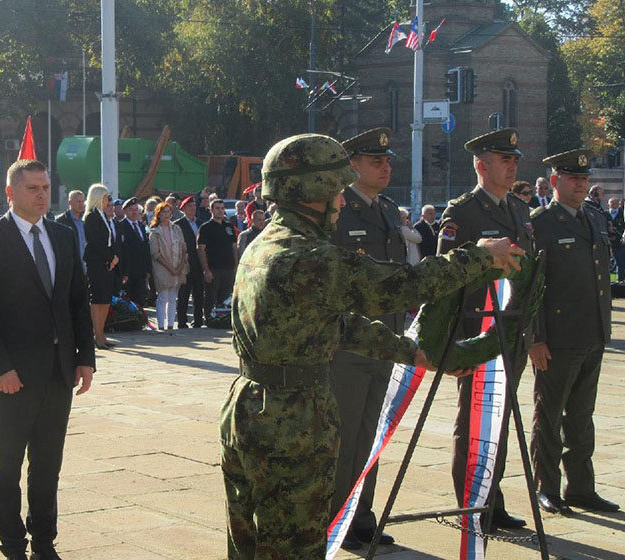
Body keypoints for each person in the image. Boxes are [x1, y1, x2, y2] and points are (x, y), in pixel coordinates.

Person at [221, 133, 525, 558]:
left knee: (251, 541)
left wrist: (409, 352)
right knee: (293, 544)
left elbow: (334, 325)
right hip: (292, 417)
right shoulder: (307, 254)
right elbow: (400, 287)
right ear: (311, 192)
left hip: (252, 406)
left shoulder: (265, 244)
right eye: (334, 190)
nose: (342, 201)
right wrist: (478, 256)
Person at [0, 159, 95, 560]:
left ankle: (44, 541)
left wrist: (85, 358)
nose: (42, 195)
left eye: (45, 187)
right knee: (7, 466)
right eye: (32, 188)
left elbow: (77, 300)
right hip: (12, 376)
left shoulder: (61, 235)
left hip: (58, 373)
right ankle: (12, 543)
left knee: (47, 465)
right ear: (10, 193)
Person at [438, 127, 535, 532]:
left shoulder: (518, 209)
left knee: (501, 418)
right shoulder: (462, 212)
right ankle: (471, 504)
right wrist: (452, 341)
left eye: (514, 160)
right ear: (482, 165)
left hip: (511, 329)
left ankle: (492, 499)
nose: (513, 167)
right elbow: (442, 277)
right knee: (474, 419)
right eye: (504, 160)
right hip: (477, 331)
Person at [326, 127, 408, 550]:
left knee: (373, 434)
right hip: (350, 345)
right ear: (352, 166)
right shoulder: (338, 212)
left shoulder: (388, 211)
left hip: (386, 340)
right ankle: (338, 517)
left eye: (387, 160)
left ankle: (362, 515)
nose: (386, 166)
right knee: (346, 434)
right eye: (376, 161)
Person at [530, 149, 619, 515]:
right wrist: (535, 338)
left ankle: (581, 488)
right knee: (549, 417)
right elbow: (531, 286)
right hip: (557, 338)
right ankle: (546, 488)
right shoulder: (540, 223)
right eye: (572, 179)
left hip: (591, 333)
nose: (581, 184)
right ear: (555, 182)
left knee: (582, 418)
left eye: (584, 179)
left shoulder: (595, 219)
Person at [83, 184, 119, 350]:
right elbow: (96, 242)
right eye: (105, 197)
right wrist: (110, 258)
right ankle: (97, 336)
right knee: (97, 299)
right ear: (98, 198)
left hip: (106, 263)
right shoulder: (91, 217)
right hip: (97, 263)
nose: (107, 200)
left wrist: (113, 257)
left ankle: (102, 334)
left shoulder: (104, 216)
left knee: (105, 300)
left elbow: (108, 241)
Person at [148, 201, 187, 331]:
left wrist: (180, 266)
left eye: (168, 212)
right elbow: (155, 253)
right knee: (163, 297)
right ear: (158, 214)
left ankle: (170, 325)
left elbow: (183, 247)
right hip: (163, 267)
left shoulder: (176, 228)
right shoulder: (155, 231)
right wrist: (170, 267)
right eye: (163, 212)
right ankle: (161, 325)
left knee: (173, 297)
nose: (166, 214)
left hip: (177, 265)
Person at [197, 199, 238, 320]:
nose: (220, 211)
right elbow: (200, 249)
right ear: (211, 210)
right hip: (213, 268)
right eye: (217, 208)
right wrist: (206, 270)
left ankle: (223, 319)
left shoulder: (229, 226)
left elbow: (234, 247)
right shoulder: (205, 227)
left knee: (226, 298)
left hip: (228, 268)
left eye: (222, 208)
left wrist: (235, 265)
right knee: (210, 297)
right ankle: (210, 319)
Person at [175, 196, 204, 328]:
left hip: (199, 263)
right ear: (184, 209)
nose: (193, 209)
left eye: (194, 206)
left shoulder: (201, 223)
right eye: (189, 206)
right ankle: (182, 321)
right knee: (184, 294)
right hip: (185, 263)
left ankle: (198, 319)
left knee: (199, 293)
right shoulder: (178, 224)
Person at [118, 198, 152, 306]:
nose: (134, 212)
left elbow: (146, 248)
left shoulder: (141, 226)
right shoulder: (121, 226)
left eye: (136, 209)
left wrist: (148, 269)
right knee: (129, 304)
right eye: (131, 210)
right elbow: (122, 251)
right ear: (125, 211)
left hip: (141, 272)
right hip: (128, 272)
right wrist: (124, 272)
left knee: (140, 302)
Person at [56, 190, 87, 266]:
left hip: (87, 266)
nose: (81, 204)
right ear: (70, 203)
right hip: (71, 265)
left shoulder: (86, 219)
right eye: (78, 202)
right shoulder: (61, 221)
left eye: (82, 201)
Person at [608, 197, 625, 277]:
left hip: (619, 242)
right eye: (611, 203)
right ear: (608, 204)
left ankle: (621, 281)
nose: (613, 204)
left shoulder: (622, 214)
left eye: (615, 203)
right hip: (607, 242)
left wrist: (617, 237)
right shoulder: (604, 213)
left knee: (620, 263)